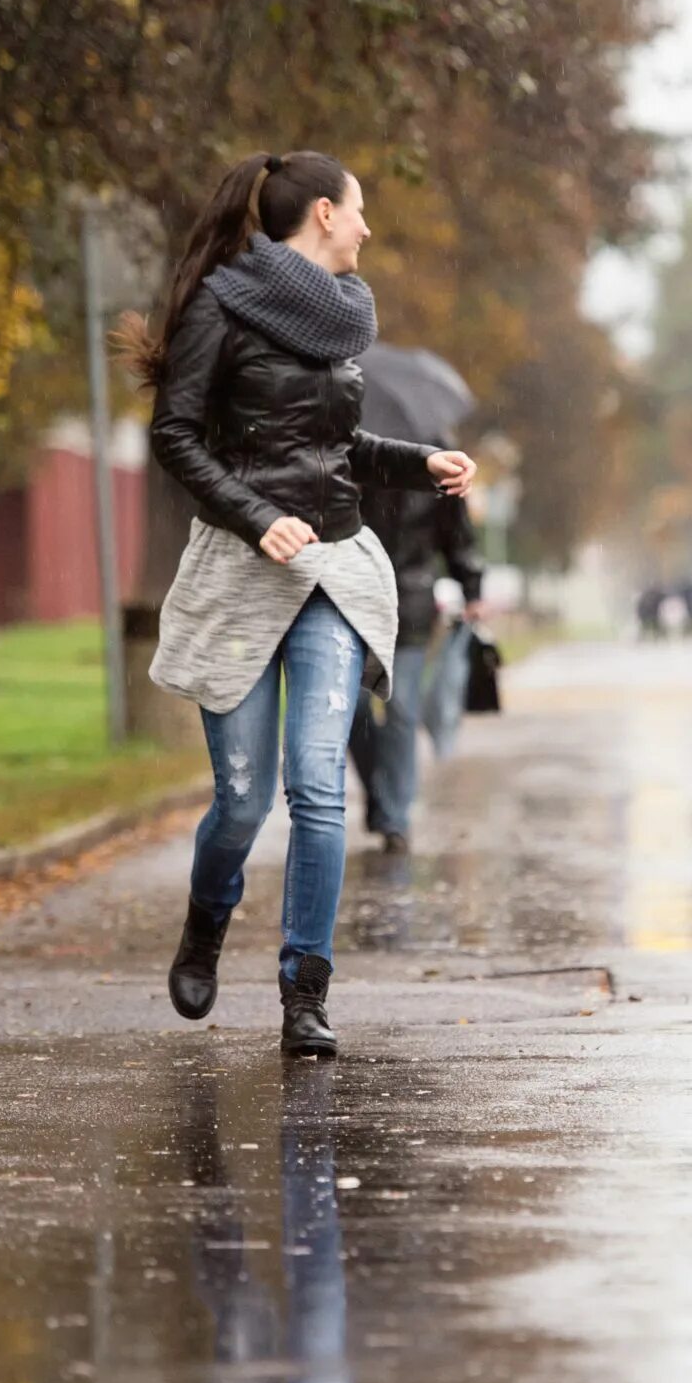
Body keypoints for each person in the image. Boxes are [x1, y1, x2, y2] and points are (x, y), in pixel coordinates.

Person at [136, 149, 477, 1058]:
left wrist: (415, 463)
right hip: (242, 574)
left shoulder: (343, 319)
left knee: (319, 788)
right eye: (361, 212)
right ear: (323, 213)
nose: (369, 228)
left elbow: (327, 446)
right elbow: (174, 436)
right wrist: (255, 518)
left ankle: (305, 993)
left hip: (331, 570)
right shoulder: (220, 304)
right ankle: (207, 925)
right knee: (243, 804)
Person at [347, 449, 487, 854]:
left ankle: (394, 817)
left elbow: (457, 533)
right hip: (351, 597)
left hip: (409, 604)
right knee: (351, 708)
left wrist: (471, 586)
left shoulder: (436, 455)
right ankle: (381, 793)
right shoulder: (351, 444)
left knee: (401, 708)